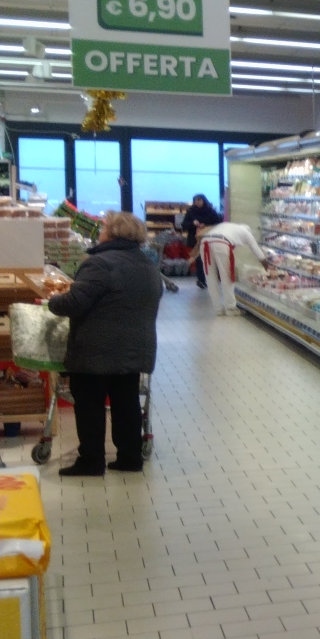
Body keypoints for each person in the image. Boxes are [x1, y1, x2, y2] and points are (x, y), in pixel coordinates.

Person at [44, 211, 162, 477]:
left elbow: (75, 303)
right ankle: (130, 458)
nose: (100, 231)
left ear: (112, 233)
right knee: (126, 403)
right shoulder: (148, 264)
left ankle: (91, 461)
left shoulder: (100, 264)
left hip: (97, 349)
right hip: (135, 348)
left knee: (89, 404)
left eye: (104, 227)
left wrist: (53, 300)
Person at [197, 221, 265, 315]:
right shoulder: (246, 232)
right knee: (226, 277)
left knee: (210, 277)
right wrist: (267, 267)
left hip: (204, 243)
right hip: (220, 243)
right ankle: (230, 309)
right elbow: (257, 251)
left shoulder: (227, 226)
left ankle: (218, 309)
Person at [182, 194, 223, 288]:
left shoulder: (210, 211)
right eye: (195, 200)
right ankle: (201, 280)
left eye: (199, 200)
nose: (197, 202)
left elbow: (217, 222)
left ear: (203, 200)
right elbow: (184, 224)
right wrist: (193, 223)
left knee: (208, 259)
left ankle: (208, 278)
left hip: (209, 238)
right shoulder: (191, 212)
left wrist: (205, 224)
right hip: (196, 239)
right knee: (199, 259)